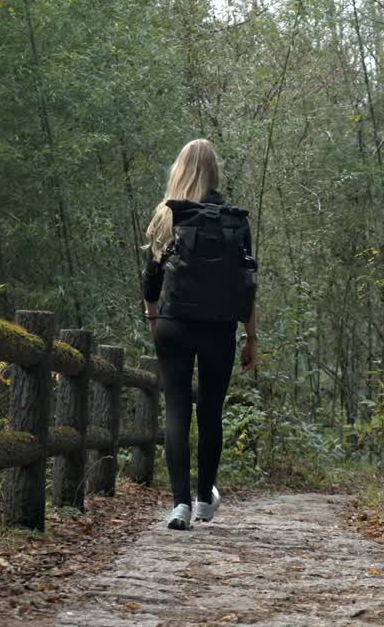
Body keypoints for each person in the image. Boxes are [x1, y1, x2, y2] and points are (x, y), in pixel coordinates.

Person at [142, 138, 258, 531]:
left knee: (176, 411)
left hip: (174, 325)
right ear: (214, 172)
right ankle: (205, 498)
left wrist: (155, 321)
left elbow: (151, 278)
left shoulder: (167, 214)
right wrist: (251, 337)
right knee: (210, 413)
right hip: (218, 328)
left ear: (180, 168)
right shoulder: (234, 220)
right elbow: (247, 283)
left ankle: (180, 506)